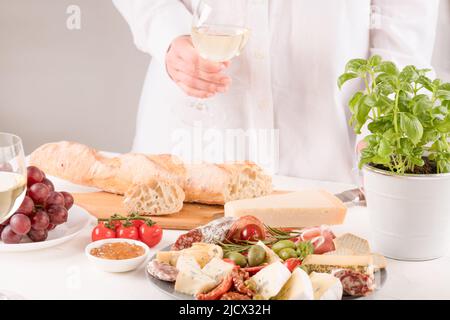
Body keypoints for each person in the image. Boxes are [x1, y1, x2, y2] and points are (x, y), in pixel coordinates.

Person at [113, 0, 440, 183]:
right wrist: (166, 32)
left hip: (324, 169)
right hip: (191, 151)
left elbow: (403, 35)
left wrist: (384, 129)